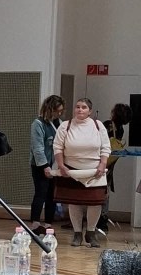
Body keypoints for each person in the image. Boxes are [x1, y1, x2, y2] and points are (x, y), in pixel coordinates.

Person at [53, 96, 111, 247]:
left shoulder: (98, 126)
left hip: (95, 171)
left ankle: (91, 233)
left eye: (84, 107)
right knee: (74, 202)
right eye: (77, 107)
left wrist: (102, 164)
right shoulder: (65, 125)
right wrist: (61, 165)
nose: (80, 109)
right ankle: (77, 233)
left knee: (95, 203)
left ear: (90, 111)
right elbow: (57, 147)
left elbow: (106, 147)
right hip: (72, 170)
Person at [29, 94, 64, 235]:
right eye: (57, 111)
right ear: (50, 109)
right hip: (40, 165)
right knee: (40, 193)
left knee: (52, 195)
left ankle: (49, 224)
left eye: (61, 111)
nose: (59, 114)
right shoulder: (38, 124)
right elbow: (37, 148)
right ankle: (35, 224)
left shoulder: (59, 123)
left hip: (55, 165)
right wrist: (45, 166)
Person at [98, 102, 132, 233]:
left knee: (97, 190)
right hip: (110, 163)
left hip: (101, 160)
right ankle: (103, 219)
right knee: (105, 191)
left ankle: (96, 219)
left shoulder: (107, 125)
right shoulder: (121, 129)